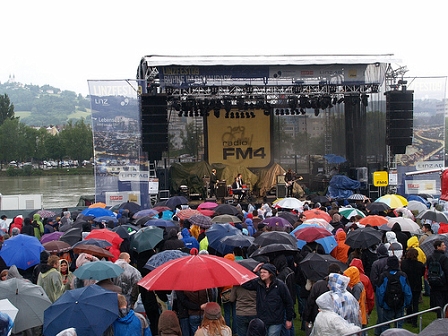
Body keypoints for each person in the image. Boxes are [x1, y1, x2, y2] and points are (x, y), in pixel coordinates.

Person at [242, 263, 294, 336]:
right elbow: (245, 284)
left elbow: (288, 302)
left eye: (264, 272)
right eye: (261, 272)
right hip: (262, 318)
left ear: (270, 274)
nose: (262, 274)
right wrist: (253, 272)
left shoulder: (280, 285)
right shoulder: (258, 283)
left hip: (275, 320)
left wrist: (289, 319)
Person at [376, 256, 412, 332]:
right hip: (400, 304)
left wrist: (381, 304)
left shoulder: (384, 276)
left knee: (385, 325)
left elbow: (380, 292)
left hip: (387, 305)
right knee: (399, 326)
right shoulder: (402, 275)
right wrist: (406, 304)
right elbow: (407, 291)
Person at [400, 248, 425, 327]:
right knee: (415, 304)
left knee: (408, 302)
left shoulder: (403, 263)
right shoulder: (420, 265)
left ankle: (409, 318)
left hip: (407, 285)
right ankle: (414, 321)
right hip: (417, 286)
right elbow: (422, 273)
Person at [425, 239, 448, 318]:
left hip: (433, 281)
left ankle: (439, 316)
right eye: (443, 245)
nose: (445, 246)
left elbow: (427, 269)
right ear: (438, 247)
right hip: (443, 283)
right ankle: (443, 316)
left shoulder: (430, 257)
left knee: (437, 301)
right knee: (444, 301)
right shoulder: (444, 258)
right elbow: (446, 271)